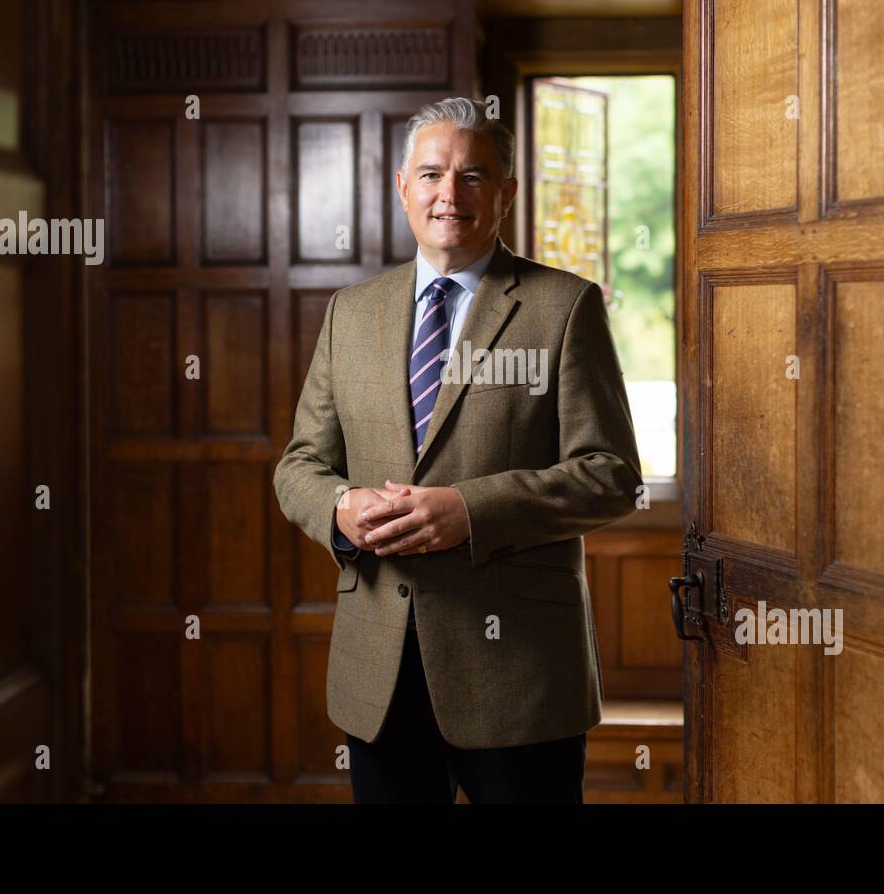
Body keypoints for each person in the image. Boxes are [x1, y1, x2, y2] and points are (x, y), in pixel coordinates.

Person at [273, 96, 641, 803]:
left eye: (473, 176)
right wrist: (340, 507)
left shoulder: (564, 306)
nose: (450, 193)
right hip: (377, 667)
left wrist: (470, 510)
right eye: (433, 173)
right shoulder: (351, 312)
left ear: (504, 194)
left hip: (521, 674)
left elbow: (612, 475)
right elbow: (299, 464)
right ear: (403, 187)